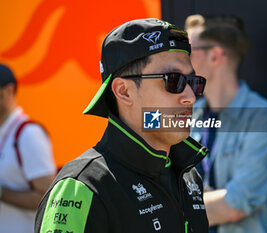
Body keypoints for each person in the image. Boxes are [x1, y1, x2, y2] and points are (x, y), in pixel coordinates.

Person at [35, 18, 209, 233]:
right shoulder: (81, 188)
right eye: (173, 81)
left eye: (194, 82)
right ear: (124, 91)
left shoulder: (188, 176)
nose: (190, 97)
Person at [185, 14, 267, 233]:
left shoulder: (262, 117)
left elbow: (237, 203)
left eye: (189, 50)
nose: (183, 60)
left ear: (215, 56)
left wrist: (169, 212)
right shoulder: (191, 116)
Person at [0, 64, 57, 233]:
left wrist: (2, 193)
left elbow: (48, 198)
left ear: (9, 91)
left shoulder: (28, 134)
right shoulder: (6, 133)